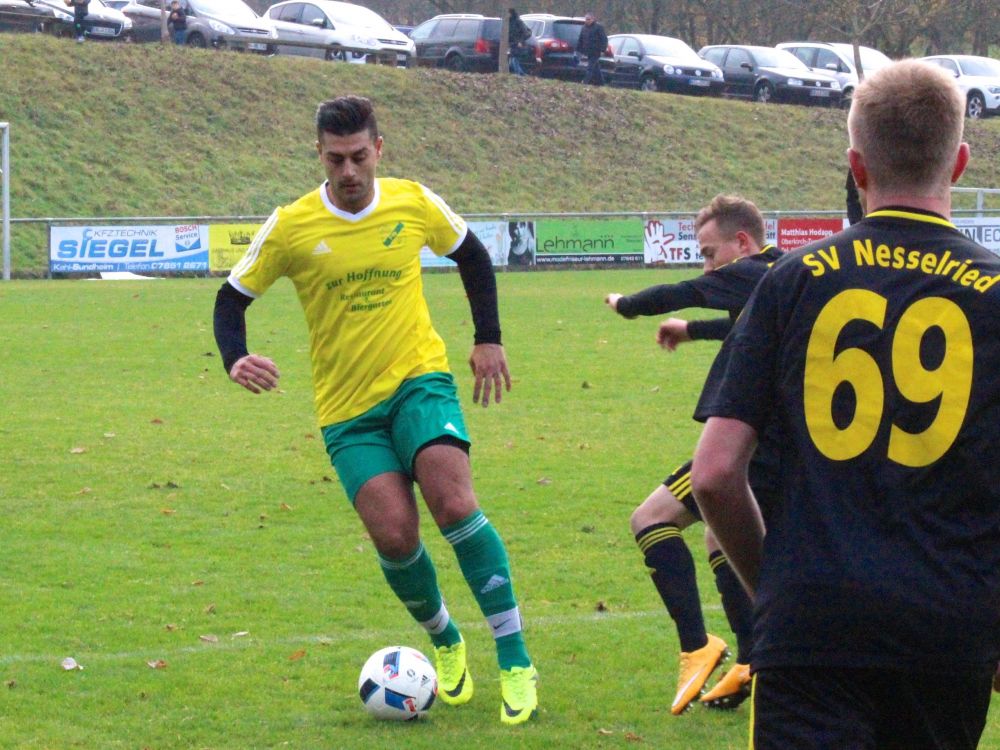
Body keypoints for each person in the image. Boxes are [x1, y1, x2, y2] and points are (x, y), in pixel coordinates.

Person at [691, 60, 1000, 749]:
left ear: (856, 168)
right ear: (960, 162)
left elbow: (712, 475)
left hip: (811, 627)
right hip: (948, 626)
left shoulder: (789, 284)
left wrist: (774, 588)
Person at [213, 96, 538, 726]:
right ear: (320, 155)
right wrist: (235, 357)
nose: (349, 170)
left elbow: (471, 254)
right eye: (336, 159)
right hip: (347, 410)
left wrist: (488, 337)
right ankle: (445, 639)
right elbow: (231, 299)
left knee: (454, 502)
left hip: (420, 380)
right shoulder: (292, 225)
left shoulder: (413, 201)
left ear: (379, 149)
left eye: (360, 156)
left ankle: (516, 658)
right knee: (395, 535)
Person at [606, 196, 781, 715]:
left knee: (651, 520)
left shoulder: (753, 269)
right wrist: (692, 330)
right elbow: (741, 326)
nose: (706, 267)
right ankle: (753, 663)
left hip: (759, 445)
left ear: (743, 243)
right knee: (719, 533)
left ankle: (697, 645)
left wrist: (627, 304)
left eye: (710, 254)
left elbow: (683, 291)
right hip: (775, 440)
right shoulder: (778, 278)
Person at [576, 11, 607, 86]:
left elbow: (604, 39)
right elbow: (581, 39)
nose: (587, 21)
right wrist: (578, 49)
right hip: (587, 51)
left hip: (596, 51)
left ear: (593, 19)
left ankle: (584, 82)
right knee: (596, 69)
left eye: (588, 19)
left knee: (590, 67)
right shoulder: (584, 28)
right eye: (586, 19)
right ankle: (602, 84)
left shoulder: (598, 27)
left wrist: (603, 50)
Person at [507, 8, 530, 76]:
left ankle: (519, 74)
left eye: (508, 13)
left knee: (514, 59)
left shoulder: (518, 21)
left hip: (518, 44)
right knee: (512, 61)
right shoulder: (509, 22)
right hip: (512, 44)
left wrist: (520, 41)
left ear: (511, 14)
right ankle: (521, 74)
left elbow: (525, 33)